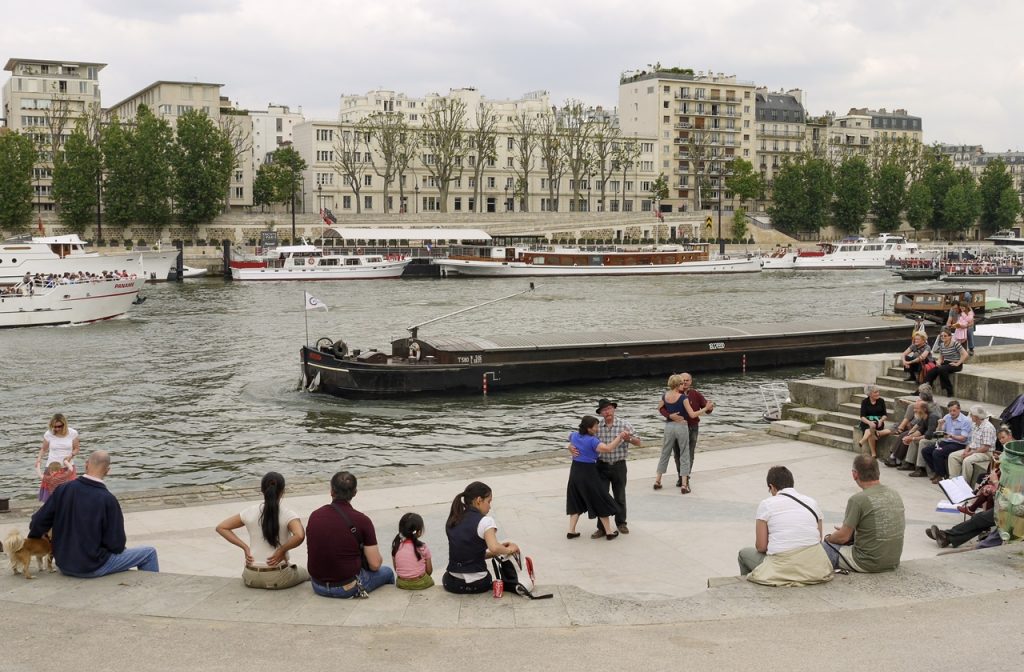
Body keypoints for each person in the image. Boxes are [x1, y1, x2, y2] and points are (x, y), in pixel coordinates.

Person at [28, 450, 159, 577]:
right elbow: (116, 544)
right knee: (149, 553)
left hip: (64, 564)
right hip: (92, 566)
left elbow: (37, 522)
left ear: (86, 464)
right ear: (107, 471)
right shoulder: (108, 499)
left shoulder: (63, 489)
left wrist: (33, 539)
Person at [737, 466, 832, 586]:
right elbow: (818, 539)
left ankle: (747, 588)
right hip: (816, 568)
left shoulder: (766, 504)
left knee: (743, 554)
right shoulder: (812, 502)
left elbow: (761, 546)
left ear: (771, 487)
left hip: (783, 568)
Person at [306, 471, 394, 598]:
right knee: (388, 572)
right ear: (355, 493)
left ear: (331, 491)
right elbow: (375, 565)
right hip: (346, 587)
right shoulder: (362, 520)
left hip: (317, 585)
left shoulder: (315, 516)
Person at [214, 471, 309, 590]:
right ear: (283, 491)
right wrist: (282, 550)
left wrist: (245, 548)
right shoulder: (288, 514)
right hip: (277, 577)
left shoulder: (249, 511)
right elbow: (299, 535)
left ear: (262, 491)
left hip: (250, 577)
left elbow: (221, 527)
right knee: (307, 573)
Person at [822, 455, 905, 573]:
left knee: (822, 548)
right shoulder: (895, 494)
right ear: (878, 472)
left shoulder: (857, 500)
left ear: (855, 474)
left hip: (866, 562)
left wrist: (829, 538)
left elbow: (842, 537)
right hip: (893, 561)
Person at [443, 481, 520, 594]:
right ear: (479, 500)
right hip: (477, 584)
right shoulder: (485, 521)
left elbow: (469, 554)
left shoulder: (454, 519)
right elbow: (494, 547)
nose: (490, 506)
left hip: (451, 583)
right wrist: (509, 550)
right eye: (489, 501)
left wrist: (498, 550)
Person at [566, 415, 626, 540]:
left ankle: (571, 531)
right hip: (588, 472)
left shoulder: (574, 435)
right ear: (589, 429)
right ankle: (609, 532)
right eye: (595, 426)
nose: (597, 428)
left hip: (575, 471)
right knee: (600, 499)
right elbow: (608, 448)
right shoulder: (592, 441)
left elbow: (569, 439)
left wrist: (569, 447)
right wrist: (619, 437)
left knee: (575, 499)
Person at [592, 398, 641, 537]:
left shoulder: (624, 424)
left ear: (614, 409)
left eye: (609, 409)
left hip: (619, 465)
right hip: (601, 465)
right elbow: (586, 439)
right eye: (604, 410)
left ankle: (621, 523)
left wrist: (628, 439)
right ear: (600, 413)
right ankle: (601, 527)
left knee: (619, 495)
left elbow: (639, 442)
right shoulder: (597, 426)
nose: (607, 412)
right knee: (602, 496)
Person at [674, 372, 714, 489]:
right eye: (683, 380)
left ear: (691, 382)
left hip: (692, 427)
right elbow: (662, 408)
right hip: (677, 427)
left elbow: (706, 408)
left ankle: (685, 477)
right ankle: (681, 476)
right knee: (677, 453)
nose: (685, 382)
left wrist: (709, 408)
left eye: (687, 380)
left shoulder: (696, 394)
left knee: (689, 453)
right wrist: (670, 416)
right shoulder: (674, 394)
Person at [918, 401, 973, 483]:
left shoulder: (965, 421)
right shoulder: (947, 417)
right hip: (946, 441)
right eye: (950, 411)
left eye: (954, 411)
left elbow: (963, 438)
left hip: (958, 444)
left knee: (937, 452)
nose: (952, 413)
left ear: (959, 410)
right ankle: (937, 471)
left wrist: (951, 436)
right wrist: (939, 425)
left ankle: (942, 475)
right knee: (925, 451)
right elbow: (938, 433)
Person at [655, 374, 690, 493]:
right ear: (678, 384)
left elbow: (659, 408)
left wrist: (670, 416)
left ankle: (658, 480)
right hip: (681, 426)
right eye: (681, 383)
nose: (683, 385)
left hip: (669, 426)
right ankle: (684, 484)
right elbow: (692, 414)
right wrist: (706, 408)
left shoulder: (665, 396)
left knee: (665, 452)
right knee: (684, 453)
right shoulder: (683, 397)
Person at [947, 406, 995, 485]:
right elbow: (971, 441)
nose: (970, 417)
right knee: (953, 456)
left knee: (967, 460)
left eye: (971, 415)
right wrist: (966, 451)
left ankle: (964, 484)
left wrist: (969, 453)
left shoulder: (987, 427)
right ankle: (954, 481)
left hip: (985, 453)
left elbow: (985, 447)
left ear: (976, 417)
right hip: (974, 450)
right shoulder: (974, 425)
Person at [889, 400, 940, 469]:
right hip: (928, 436)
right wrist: (909, 437)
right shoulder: (924, 416)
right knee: (907, 437)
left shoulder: (932, 417)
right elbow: (920, 430)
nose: (914, 410)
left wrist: (912, 438)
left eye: (916, 408)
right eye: (914, 408)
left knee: (920, 441)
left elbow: (929, 435)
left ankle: (920, 468)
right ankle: (909, 463)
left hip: (936, 438)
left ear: (924, 409)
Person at [391, 512, 434, 590]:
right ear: (419, 532)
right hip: (420, 583)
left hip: (401, 583)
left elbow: (396, 568)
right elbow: (429, 571)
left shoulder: (396, 546)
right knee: (430, 581)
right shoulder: (422, 547)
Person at [925, 328, 967, 396]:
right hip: (946, 363)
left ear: (950, 336)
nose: (943, 337)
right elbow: (941, 357)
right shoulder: (942, 345)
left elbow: (965, 354)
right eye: (942, 336)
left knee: (942, 369)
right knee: (931, 372)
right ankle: (925, 389)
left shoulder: (955, 344)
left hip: (956, 364)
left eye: (945, 335)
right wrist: (938, 362)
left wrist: (958, 363)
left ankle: (949, 389)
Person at [857, 385, 891, 458]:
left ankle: (863, 440)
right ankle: (873, 453)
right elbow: (862, 416)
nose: (878, 393)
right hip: (866, 422)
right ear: (869, 394)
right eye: (875, 392)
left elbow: (885, 415)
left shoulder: (881, 401)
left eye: (878, 392)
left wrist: (881, 420)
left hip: (878, 422)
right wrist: (869, 422)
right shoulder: (865, 402)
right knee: (871, 430)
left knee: (872, 428)